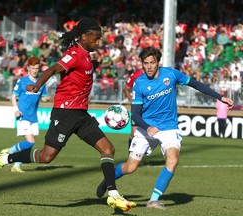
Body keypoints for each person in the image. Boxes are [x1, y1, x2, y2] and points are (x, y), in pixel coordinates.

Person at [0, 17, 136, 212]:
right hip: (65, 113)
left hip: (81, 115)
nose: (98, 42)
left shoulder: (87, 57)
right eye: (95, 39)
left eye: (99, 39)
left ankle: (113, 195)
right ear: (83, 37)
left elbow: (81, 75)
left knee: (108, 149)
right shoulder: (74, 54)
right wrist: (37, 85)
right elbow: (53, 69)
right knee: (46, 157)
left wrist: (96, 65)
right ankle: (7, 158)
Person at [96, 46, 234, 210]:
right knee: (130, 167)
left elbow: (196, 84)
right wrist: (147, 127)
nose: (148, 66)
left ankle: (153, 200)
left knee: (173, 159)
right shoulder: (139, 84)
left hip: (169, 128)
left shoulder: (171, 74)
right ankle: (108, 179)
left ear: (158, 62)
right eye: (145, 63)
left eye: (152, 62)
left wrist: (220, 97)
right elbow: (136, 114)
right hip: (146, 128)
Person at [1, 57, 50, 173]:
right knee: (30, 142)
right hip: (23, 116)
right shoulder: (22, 81)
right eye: (32, 68)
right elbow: (14, 96)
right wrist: (15, 109)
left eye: (37, 68)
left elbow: (43, 98)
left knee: (30, 144)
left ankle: (16, 165)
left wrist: (46, 99)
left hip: (34, 117)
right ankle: (9, 151)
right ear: (28, 68)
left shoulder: (41, 83)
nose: (35, 70)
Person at [123, 67, 144, 150]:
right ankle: (131, 155)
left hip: (150, 107)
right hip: (137, 106)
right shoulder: (135, 75)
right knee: (134, 132)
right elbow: (126, 89)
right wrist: (132, 100)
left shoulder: (157, 74)